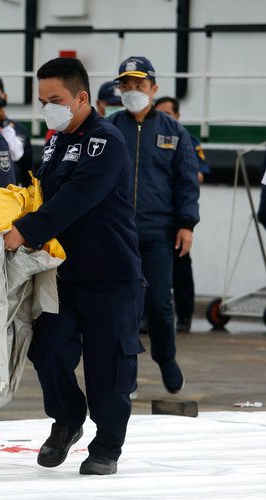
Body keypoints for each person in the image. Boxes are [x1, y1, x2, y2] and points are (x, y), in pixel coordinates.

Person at [3, 57, 144, 476]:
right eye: (43, 100)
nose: (49, 108)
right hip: (62, 274)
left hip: (110, 275)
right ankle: (67, 420)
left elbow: (79, 196)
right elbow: (42, 190)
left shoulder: (107, 140)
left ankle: (107, 446)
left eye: (57, 100)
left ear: (82, 98)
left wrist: (25, 231)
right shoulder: (56, 141)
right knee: (47, 349)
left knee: (108, 366)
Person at [108, 57, 200, 393]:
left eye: (139, 85)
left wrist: (186, 224)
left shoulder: (174, 132)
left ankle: (166, 358)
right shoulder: (108, 129)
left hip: (158, 234)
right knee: (124, 307)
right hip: (116, 234)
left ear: (154, 89)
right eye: (126, 85)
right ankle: (127, 374)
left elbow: (186, 181)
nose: (132, 91)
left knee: (159, 304)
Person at [155, 96, 210, 332]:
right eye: (161, 113)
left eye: (169, 113)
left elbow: (197, 175)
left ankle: (185, 315)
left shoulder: (186, 139)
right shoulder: (146, 138)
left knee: (180, 266)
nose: (165, 117)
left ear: (177, 115)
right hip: (151, 214)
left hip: (175, 215)